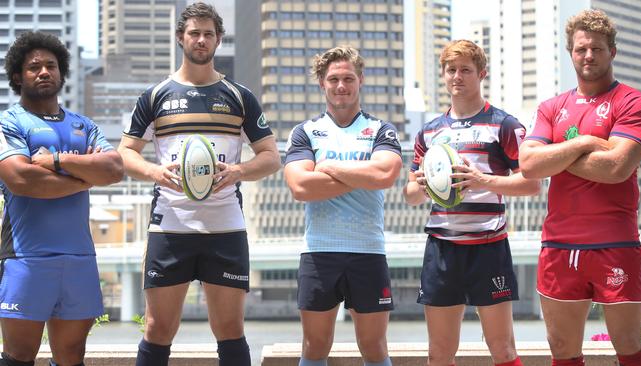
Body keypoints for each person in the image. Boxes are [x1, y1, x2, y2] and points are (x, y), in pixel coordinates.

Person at [117, 2, 281, 366]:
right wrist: (154, 172)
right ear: (181, 37)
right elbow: (126, 152)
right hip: (170, 227)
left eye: (209, 33)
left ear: (218, 39)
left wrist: (239, 171)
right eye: (194, 33)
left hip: (225, 228)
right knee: (158, 329)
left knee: (230, 329)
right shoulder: (155, 96)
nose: (201, 40)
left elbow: (271, 156)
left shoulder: (239, 97)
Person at [519, 9, 641, 366]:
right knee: (562, 349)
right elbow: (529, 165)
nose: (588, 55)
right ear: (570, 52)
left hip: (615, 243)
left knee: (630, 346)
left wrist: (555, 156)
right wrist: (586, 142)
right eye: (581, 49)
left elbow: (616, 168)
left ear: (612, 52)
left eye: (596, 48)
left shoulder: (633, 102)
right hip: (559, 245)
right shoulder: (551, 106)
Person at [403, 40, 540, 366]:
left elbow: (532, 184)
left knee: (503, 350)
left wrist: (483, 181)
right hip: (442, 248)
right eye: (451, 70)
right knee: (438, 354)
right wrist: (422, 186)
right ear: (443, 75)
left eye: (466, 70)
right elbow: (409, 195)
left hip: (488, 247)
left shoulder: (505, 125)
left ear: (482, 74)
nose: (457, 77)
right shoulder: (429, 132)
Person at [0, 31, 124, 366]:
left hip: (79, 258)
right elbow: (21, 178)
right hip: (26, 258)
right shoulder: (9, 121)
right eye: (34, 67)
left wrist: (58, 162)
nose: (44, 72)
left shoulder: (83, 124)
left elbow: (114, 169)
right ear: (17, 76)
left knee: (71, 356)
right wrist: (86, 178)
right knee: (18, 356)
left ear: (61, 72)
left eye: (51, 65)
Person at [284, 46, 402, 366]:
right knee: (314, 346)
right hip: (319, 251)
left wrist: (328, 167)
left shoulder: (381, 130)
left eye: (348, 78)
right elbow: (300, 186)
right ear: (322, 83)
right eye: (333, 78)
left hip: (368, 251)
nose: (341, 85)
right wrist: (363, 175)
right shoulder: (305, 132)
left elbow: (385, 175)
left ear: (360, 80)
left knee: (374, 346)